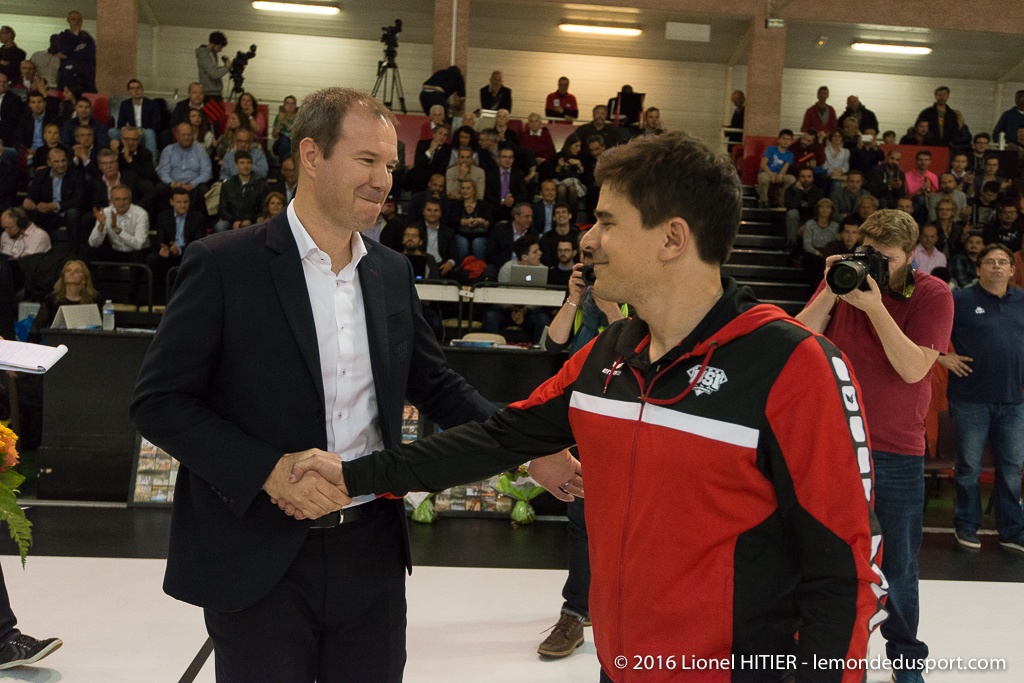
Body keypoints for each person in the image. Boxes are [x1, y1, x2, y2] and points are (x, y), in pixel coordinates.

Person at [289, 131, 885, 683]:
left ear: (673, 239)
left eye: (607, 221)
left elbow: (846, 574)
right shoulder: (608, 353)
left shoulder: (795, 366)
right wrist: (351, 475)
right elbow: (497, 438)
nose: (589, 239)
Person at [131, 89, 576, 681]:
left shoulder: (390, 271)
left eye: (389, 165)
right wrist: (268, 470)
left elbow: (436, 384)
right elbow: (159, 402)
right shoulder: (224, 264)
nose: (383, 180)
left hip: (371, 554)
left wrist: (527, 450)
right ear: (311, 155)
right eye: (367, 160)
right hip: (257, 555)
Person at [797, 209, 953, 683]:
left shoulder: (933, 294)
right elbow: (797, 342)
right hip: (836, 444)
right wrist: (831, 289)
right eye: (867, 253)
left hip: (895, 450)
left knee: (899, 565)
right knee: (823, 556)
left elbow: (913, 367)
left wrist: (875, 307)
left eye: (886, 259)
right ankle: (833, 654)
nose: (874, 265)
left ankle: (906, 659)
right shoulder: (844, 283)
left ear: (911, 257)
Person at [938, 243, 1024, 553]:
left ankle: (1012, 531)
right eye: (990, 261)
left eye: (1003, 262)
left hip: (1014, 401)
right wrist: (942, 357)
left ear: (1012, 270)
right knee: (968, 468)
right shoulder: (959, 299)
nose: (997, 266)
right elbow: (926, 330)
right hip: (969, 399)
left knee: (1012, 469)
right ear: (978, 269)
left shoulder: (1022, 301)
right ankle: (966, 525)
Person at [486, 235, 551, 343]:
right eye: (535, 252)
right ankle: (491, 349)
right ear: (524, 257)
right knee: (491, 315)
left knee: (542, 318)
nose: (540, 253)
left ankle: (539, 351)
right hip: (508, 310)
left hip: (529, 311)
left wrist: (523, 311)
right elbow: (500, 293)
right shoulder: (507, 268)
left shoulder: (542, 269)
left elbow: (540, 296)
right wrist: (512, 310)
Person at [28, 259, 101, 342]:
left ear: (84, 278)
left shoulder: (94, 299)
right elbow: (36, 328)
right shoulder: (52, 300)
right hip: (58, 341)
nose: (71, 273)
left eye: (77, 271)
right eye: (68, 270)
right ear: (63, 276)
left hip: (87, 342)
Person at [215, 150, 267, 232]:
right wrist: (233, 221)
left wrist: (251, 220)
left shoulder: (261, 185)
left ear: (252, 165)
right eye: (242, 163)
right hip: (232, 221)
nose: (245, 166)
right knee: (220, 226)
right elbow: (223, 209)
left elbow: (264, 208)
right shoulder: (227, 185)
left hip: (253, 221)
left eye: (248, 163)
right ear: (236, 165)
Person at [111, 79, 160, 156]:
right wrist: (126, 129)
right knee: (112, 131)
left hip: (144, 132)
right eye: (132, 88)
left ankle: (151, 160)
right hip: (130, 131)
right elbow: (120, 124)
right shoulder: (125, 104)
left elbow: (156, 125)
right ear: (129, 91)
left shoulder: (152, 104)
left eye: (138, 88)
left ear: (142, 90)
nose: (136, 90)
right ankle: (117, 157)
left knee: (149, 132)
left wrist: (139, 131)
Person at [784, 167, 824, 249]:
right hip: (795, 223)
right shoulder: (790, 190)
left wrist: (806, 225)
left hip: (812, 222)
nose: (806, 179)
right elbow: (791, 206)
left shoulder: (818, 192)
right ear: (798, 178)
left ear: (813, 178)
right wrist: (800, 191)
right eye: (803, 176)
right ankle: (791, 245)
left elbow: (818, 212)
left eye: (809, 176)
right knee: (792, 213)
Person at [55, 11, 95, 92]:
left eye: (79, 20)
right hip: (68, 75)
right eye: (73, 19)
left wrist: (68, 56)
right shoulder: (63, 36)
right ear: (68, 21)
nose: (76, 22)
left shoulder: (86, 37)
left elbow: (90, 53)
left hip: (85, 76)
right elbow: (65, 49)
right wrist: (75, 35)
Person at [755, 128, 795, 208]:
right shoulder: (771, 149)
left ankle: (781, 201)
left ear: (791, 141)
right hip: (766, 173)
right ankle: (763, 201)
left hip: (778, 175)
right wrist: (771, 175)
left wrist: (780, 175)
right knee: (764, 178)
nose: (785, 141)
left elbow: (785, 168)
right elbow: (763, 164)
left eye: (788, 139)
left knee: (791, 179)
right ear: (779, 140)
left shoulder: (790, 154)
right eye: (783, 138)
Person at [196, 31, 230, 100]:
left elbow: (213, 70)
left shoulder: (212, 54)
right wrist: (226, 67)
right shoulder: (204, 55)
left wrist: (224, 67)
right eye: (220, 47)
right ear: (214, 44)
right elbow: (214, 74)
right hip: (210, 94)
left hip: (215, 93)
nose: (221, 50)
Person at [271, 95, 298, 160]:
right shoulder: (279, 116)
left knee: (286, 141)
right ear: (284, 105)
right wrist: (279, 122)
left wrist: (285, 122)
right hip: (279, 144)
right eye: (287, 103)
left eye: (292, 104)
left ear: (295, 106)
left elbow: (295, 134)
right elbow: (274, 136)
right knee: (284, 140)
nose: (290, 106)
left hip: (293, 144)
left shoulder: (299, 118)